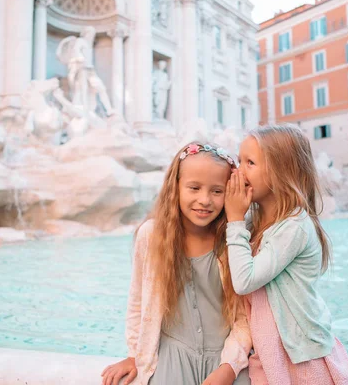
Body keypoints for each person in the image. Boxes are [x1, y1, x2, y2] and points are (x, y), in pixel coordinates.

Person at [101, 143, 251, 385]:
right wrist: (134, 355)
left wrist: (229, 368)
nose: (204, 200)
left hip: (228, 359)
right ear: (175, 187)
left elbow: (247, 316)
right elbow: (138, 301)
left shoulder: (234, 239)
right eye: (194, 188)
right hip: (171, 358)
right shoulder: (152, 235)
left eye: (217, 191)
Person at [224, 124, 348, 384]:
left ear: (281, 172)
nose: (239, 171)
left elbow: (244, 280)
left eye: (250, 162)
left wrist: (234, 219)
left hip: (303, 356)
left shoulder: (294, 226)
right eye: (239, 160)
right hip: (271, 349)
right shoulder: (258, 222)